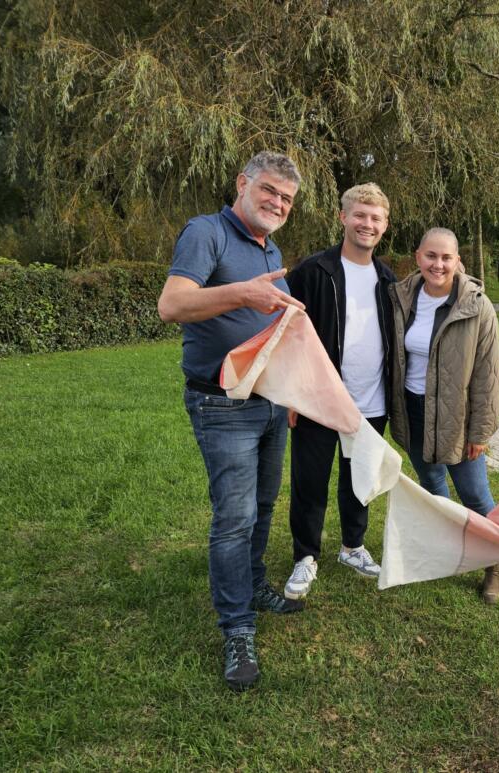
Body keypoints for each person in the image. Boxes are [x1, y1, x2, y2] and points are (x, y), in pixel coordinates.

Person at [157, 151, 307, 692]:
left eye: (286, 199)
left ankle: (255, 584)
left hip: (269, 401)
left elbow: (273, 330)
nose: (277, 203)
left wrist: (291, 392)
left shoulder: (271, 248)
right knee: (235, 519)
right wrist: (245, 292)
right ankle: (237, 628)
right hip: (222, 405)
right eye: (269, 190)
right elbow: (172, 305)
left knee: (263, 506)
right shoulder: (207, 233)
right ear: (242, 184)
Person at [283, 183, 396, 599]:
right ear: (343, 217)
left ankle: (353, 546)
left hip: (371, 401)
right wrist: (292, 394)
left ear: (385, 225)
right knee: (309, 482)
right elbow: (287, 332)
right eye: (360, 215)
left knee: (359, 480)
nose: (367, 224)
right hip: (319, 400)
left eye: (375, 218)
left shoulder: (388, 280)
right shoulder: (314, 272)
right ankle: (305, 556)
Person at [388, 228, 499, 602]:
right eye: (431, 256)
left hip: (458, 416)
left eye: (446, 257)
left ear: (457, 260)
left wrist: (480, 431)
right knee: (432, 484)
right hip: (414, 409)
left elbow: (488, 374)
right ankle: (449, 549)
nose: (438, 264)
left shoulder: (477, 307)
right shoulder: (402, 297)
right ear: (418, 257)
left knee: (476, 495)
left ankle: (493, 565)